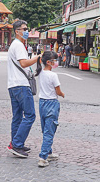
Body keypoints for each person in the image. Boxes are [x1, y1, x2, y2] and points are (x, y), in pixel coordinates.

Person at [6, 20, 39, 158]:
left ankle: (15, 143)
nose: (26, 31)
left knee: (18, 116)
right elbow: (24, 63)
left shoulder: (14, 45)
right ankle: (17, 143)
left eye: (27, 28)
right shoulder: (19, 45)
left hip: (13, 85)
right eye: (24, 29)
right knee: (30, 115)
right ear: (17, 31)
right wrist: (38, 57)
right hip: (21, 85)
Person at [36, 50, 64, 167]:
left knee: (46, 129)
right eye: (54, 60)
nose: (56, 62)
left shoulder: (41, 73)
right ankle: (43, 157)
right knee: (49, 130)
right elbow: (57, 90)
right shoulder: (53, 75)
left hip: (42, 103)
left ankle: (49, 152)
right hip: (52, 103)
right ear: (48, 62)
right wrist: (62, 94)